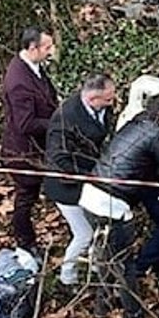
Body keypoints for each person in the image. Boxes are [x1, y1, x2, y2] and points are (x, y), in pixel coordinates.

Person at [79, 92, 159, 318]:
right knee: (125, 264)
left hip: (90, 194)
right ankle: (133, 315)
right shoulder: (157, 134)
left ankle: (102, 304)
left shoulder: (137, 121)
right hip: (112, 204)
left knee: (106, 256)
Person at [43, 73, 117, 286]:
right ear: (93, 99)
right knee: (83, 233)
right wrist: (89, 174)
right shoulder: (65, 119)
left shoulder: (101, 108)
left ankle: (94, 264)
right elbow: (58, 159)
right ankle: (68, 276)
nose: (112, 103)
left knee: (96, 224)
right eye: (108, 99)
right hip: (65, 185)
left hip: (88, 181)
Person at [0, 27, 58, 256]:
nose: (51, 51)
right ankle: (25, 240)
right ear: (32, 49)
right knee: (26, 196)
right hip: (24, 153)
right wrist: (55, 123)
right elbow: (25, 124)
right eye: (47, 48)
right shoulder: (19, 82)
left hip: (36, 149)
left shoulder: (33, 68)